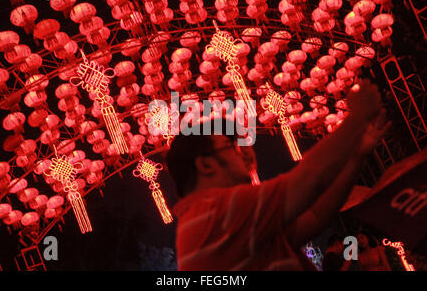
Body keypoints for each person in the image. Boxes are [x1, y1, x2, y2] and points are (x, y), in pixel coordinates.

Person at [166, 80, 390, 270]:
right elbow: (309, 179)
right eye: (230, 145)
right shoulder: (215, 213)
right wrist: (356, 118)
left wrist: (357, 155)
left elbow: (314, 216)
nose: (242, 152)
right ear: (206, 165)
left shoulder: (216, 220)